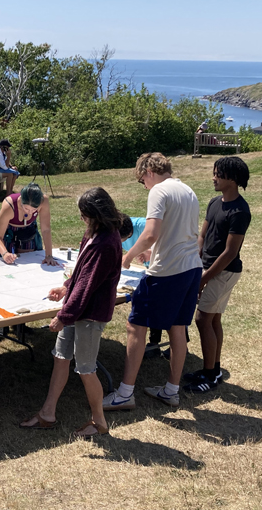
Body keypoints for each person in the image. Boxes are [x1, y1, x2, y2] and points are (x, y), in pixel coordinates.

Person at [19, 187, 123, 438]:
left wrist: (63, 316)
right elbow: (81, 272)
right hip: (77, 309)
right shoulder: (94, 233)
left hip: (90, 314)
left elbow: (88, 286)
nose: (81, 219)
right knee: (61, 357)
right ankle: (47, 414)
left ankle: (99, 423)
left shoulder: (107, 243)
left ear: (96, 213)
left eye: (84, 214)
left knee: (86, 368)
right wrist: (66, 287)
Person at [103, 152, 202, 411]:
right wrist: (153, 251)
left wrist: (129, 256)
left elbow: (150, 234)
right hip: (191, 269)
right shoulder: (187, 190)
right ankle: (171, 390)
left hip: (167, 273)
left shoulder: (158, 192)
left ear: (148, 172)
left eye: (141, 180)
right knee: (177, 327)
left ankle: (124, 393)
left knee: (135, 326)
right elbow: (176, 232)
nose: (144, 185)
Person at [184, 157, 251, 393]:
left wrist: (205, 277)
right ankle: (214, 368)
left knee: (203, 319)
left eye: (217, 174)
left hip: (223, 272)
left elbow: (230, 252)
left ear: (231, 179)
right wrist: (196, 262)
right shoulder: (214, 202)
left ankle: (210, 376)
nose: (213, 178)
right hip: (207, 268)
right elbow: (202, 236)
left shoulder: (240, 211)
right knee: (213, 320)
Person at [118, 214, 164, 358]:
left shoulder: (145, 225)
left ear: (130, 233)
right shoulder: (116, 229)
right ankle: (154, 344)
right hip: (150, 270)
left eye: (124, 239)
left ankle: (163, 344)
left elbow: (165, 245)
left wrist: (150, 253)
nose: (123, 242)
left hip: (164, 270)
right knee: (152, 305)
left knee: (164, 308)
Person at [0, 183, 58, 266]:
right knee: (7, 264)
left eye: (34, 210)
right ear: (21, 200)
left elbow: (46, 230)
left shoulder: (43, 201)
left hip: (28, 231)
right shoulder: (9, 205)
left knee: (29, 259)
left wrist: (49, 256)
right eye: (26, 208)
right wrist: (5, 254)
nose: (29, 212)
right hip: (8, 231)